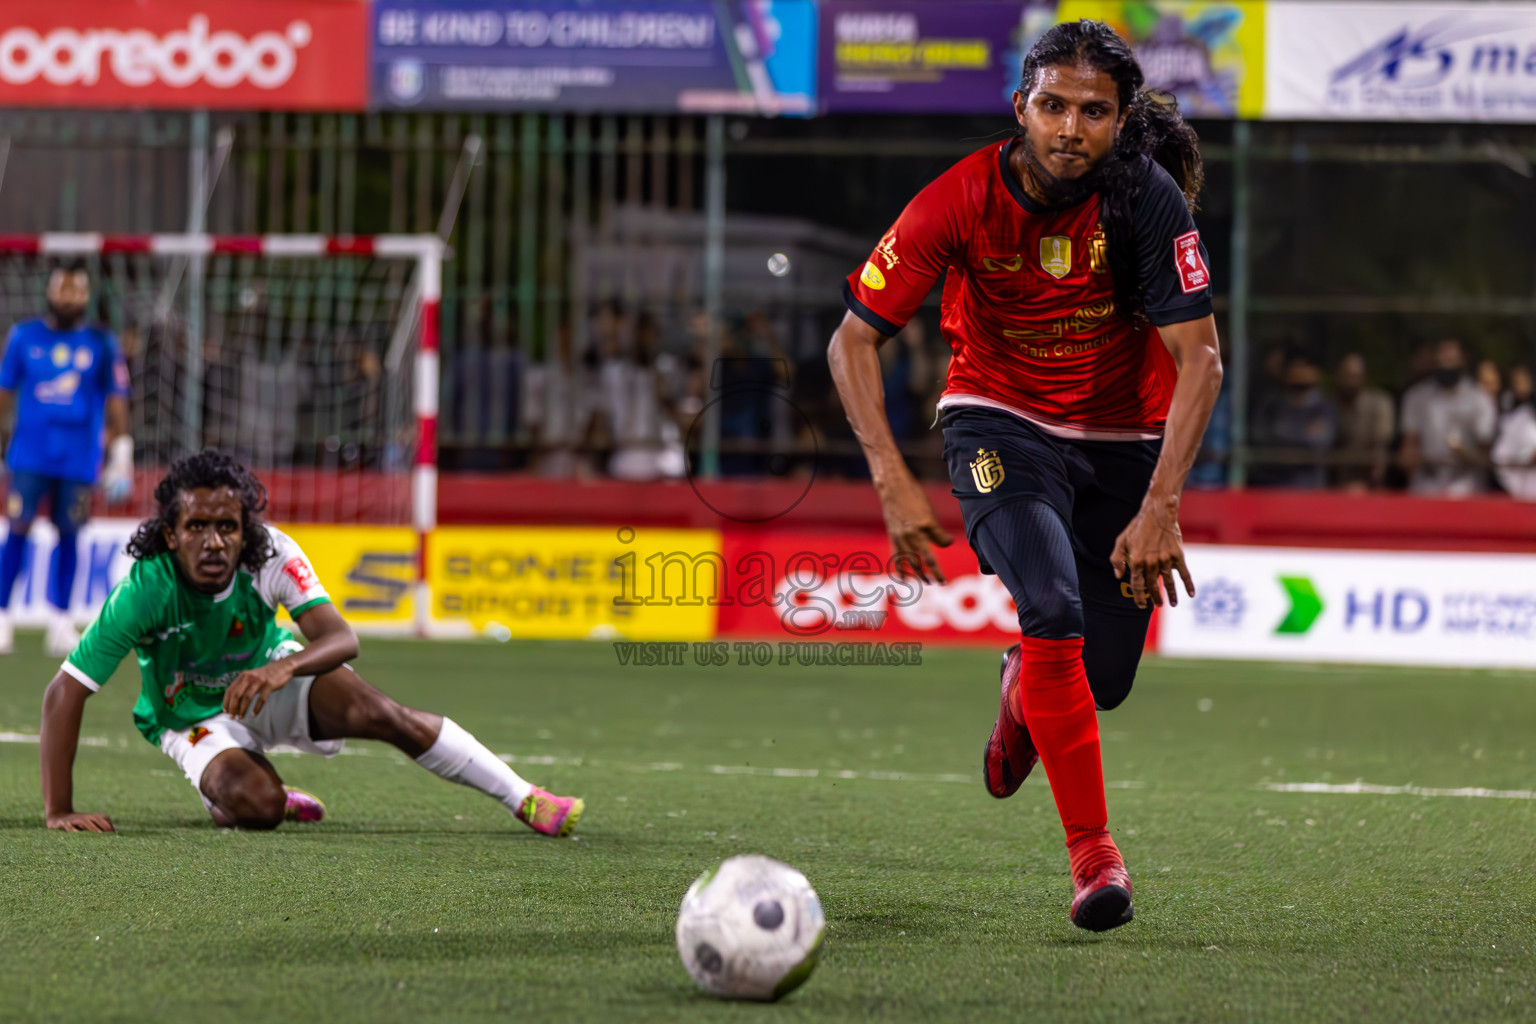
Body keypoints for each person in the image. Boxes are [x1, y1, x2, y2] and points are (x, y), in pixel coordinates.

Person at [828, 20, 1222, 932]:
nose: (1071, 128)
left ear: (1121, 122)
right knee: (1050, 606)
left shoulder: (1152, 203)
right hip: (997, 421)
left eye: (1094, 111)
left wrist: (1162, 505)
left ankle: (1021, 692)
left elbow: (1201, 360)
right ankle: (1094, 859)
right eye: (1053, 106)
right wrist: (891, 479)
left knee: (1103, 681)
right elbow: (853, 340)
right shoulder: (960, 197)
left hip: (1125, 441)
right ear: (1021, 108)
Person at [37, 450, 584, 836]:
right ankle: (232, 791)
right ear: (171, 532)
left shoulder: (270, 552)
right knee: (260, 808)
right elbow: (66, 691)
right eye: (197, 526)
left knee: (382, 711)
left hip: (270, 676)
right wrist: (59, 810)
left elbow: (341, 638)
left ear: (244, 526)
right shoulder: (144, 589)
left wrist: (282, 669)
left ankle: (523, 797)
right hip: (188, 716)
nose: (214, 541)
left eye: (226, 526)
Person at [0, 260, 134, 656]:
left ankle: (61, 621)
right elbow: (5, 393)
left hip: (78, 461)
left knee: (71, 535)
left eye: (76, 289)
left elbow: (116, 399)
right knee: (17, 530)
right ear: (50, 290)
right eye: (62, 288)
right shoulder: (24, 337)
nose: (68, 296)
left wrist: (121, 452)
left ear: (87, 294)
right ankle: (2, 617)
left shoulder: (101, 342)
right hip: (29, 456)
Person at [1399, 339, 1496, 496]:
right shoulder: (1417, 396)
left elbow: (1486, 452)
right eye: (1441, 361)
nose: (1445, 366)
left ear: (1462, 361)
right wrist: (1410, 460)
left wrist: (1464, 453)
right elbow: (1409, 443)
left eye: (1451, 360)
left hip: (1465, 481)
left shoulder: (1479, 398)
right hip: (1427, 480)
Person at [1249, 353, 1336, 489]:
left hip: (1309, 486)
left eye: (1305, 368)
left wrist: (1281, 433)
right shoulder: (1271, 403)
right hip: (1272, 485)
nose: (1300, 374)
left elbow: (1319, 443)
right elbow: (1259, 438)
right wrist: (1303, 434)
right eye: (1296, 368)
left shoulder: (1324, 408)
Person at [1332, 352, 1395, 491]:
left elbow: (1381, 446)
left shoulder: (1379, 403)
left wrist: (1372, 482)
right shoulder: (1331, 407)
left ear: (1364, 378)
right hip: (1337, 485)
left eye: (1354, 376)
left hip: (1368, 484)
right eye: (1346, 375)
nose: (1350, 381)